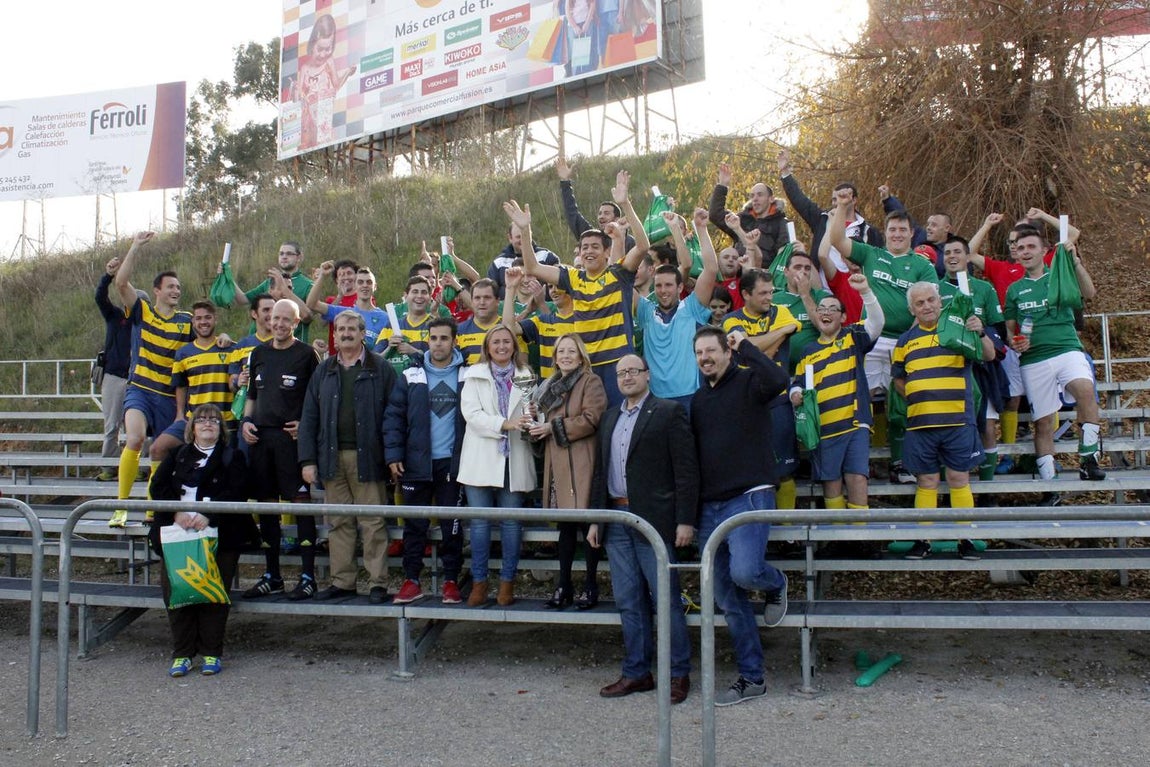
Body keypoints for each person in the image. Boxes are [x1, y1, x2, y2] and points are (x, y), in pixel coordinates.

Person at [690, 325, 790, 707]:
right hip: (711, 506)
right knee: (726, 598)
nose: (705, 358)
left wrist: (745, 345)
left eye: (711, 351)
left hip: (749, 496)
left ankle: (777, 582)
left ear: (726, 352)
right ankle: (753, 678)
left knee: (746, 574)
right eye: (699, 353)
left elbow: (779, 378)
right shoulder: (699, 400)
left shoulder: (751, 382)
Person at [589, 353, 697, 705]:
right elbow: (600, 472)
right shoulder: (608, 420)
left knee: (665, 600)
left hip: (656, 521)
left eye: (633, 371)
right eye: (621, 373)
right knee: (627, 601)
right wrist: (596, 517)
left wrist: (685, 519)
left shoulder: (668, 412)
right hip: (617, 521)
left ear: (647, 375)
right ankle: (637, 672)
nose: (626, 377)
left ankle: (678, 673)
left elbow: (685, 470)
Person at [511, 168, 650, 406]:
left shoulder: (619, 274)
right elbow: (532, 266)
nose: (588, 251)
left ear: (607, 252)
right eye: (584, 247)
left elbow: (643, 245)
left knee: (621, 424)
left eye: (595, 246)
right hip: (585, 368)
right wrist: (525, 231)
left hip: (618, 364)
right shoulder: (572, 277)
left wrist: (625, 203)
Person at [827, 196, 939, 485]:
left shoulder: (922, 266)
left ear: (911, 233)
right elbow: (837, 239)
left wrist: (910, 340)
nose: (898, 234)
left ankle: (900, 463)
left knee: (900, 403)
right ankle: (858, 464)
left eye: (903, 230)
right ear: (885, 233)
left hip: (904, 340)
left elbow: (926, 306)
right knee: (859, 400)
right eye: (892, 230)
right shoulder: (872, 254)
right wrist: (841, 207)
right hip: (871, 339)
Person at [148, 404, 259, 677]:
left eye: (214, 420)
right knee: (177, 594)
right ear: (192, 427)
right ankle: (182, 653)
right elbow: (157, 487)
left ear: (221, 429)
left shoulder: (233, 457)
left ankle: (211, 652)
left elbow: (238, 491)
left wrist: (209, 516)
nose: (208, 423)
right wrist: (177, 512)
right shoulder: (176, 455)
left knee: (214, 595)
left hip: (219, 532)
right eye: (201, 420)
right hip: (177, 532)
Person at [892, 282, 997, 560]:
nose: (926, 306)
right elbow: (898, 379)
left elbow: (989, 354)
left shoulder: (958, 329)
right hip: (920, 423)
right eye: (919, 303)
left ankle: (967, 539)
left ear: (940, 301)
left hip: (957, 420)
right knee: (926, 481)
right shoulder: (904, 340)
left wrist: (981, 331)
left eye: (930, 300)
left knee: (958, 478)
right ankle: (923, 539)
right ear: (911, 308)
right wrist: (917, 396)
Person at [298, 311, 397, 603]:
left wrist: (391, 456)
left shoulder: (381, 368)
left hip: (369, 458)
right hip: (331, 458)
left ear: (363, 333)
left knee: (373, 523)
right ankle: (343, 582)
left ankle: (378, 583)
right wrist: (307, 460)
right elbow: (310, 416)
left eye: (351, 328)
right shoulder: (324, 370)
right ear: (334, 334)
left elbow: (394, 416)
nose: (345, 333)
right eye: (340, 329)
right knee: (339, 522)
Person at [1004, 230, 1105, 505]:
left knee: (1085, 392)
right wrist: (1016, 343)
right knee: (1043, 423)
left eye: (1030, 247)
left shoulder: (1059, 274)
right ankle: (1051, 488)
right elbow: (1011, 331)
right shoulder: (1014, 289)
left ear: (1044, 250)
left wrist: (1075, 262)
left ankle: (1089, 458)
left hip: (1066, 348)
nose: (1024, 251)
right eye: (1020, 247)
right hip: (1034, 360)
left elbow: (1089, 292)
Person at [109, 232, 194, 528]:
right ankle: (120, 507)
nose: (176, 290)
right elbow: (120, 283)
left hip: (169, 397)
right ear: (156, 290)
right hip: (140, 390)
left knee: (159, 449)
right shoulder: (143, 310)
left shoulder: (186, 321)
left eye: (179, 287)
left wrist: (221, 338)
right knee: (134, 438)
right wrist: (134, 246)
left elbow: (204, 341)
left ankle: (150, 508)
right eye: (171, 286)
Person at [241, 299, 321, 600]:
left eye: (287, 320)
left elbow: (317, 399)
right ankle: (272, 575)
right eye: (276, 318)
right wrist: (247, 420)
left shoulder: (306, 354)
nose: (280, 324)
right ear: (267, 319)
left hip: (292, 443)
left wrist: (305, 424)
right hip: (261, 440)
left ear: (296, 323)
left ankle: (308, 576)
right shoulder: (258, 353)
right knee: (268, 509)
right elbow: (251, 395)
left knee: (301, 508)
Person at [384, 317, 467, 605]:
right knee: (414, 526)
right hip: (416, 463)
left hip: (452, 465)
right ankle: (411, 580)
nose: (439, 344)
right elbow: (394, 416)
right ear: (427, 340)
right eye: (434, 338)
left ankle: (451, 581)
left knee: (451, 527)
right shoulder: (411, 374)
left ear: (454, 341)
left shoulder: (467, 374)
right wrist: (394, 454)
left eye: (444, 338)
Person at [526, 333, 608, 609]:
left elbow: (591, 419)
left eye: (571, 351)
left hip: (582, 462)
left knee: (588, 528)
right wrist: (534, 427)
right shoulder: (546, 387)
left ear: (581, 354)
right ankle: (564, 584)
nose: (566, 356)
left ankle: (590, 585)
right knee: (565, 529)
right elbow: (541, 420)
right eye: (561, 351)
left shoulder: (590, 381)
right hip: (556, 462)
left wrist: (553, 427)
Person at [458, 325, 537, 607]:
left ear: (514, 347)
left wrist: (531, 421)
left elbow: (532, 413)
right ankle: (479, 583)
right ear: (487, 347)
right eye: (496, 342)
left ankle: (507, 582)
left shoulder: (526, 376)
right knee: (479, 525)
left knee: (512, 525)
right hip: (480, 458)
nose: (502, 346)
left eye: (507, 341)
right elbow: (472, 415)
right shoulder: (474, 374)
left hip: (514, 457)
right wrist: (504, 424)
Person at [790, 276, 884, 512]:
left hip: (854, 424)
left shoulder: (853, 337)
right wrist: (795, 393)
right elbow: (799, 382)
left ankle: (861, 538)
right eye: (821, 308)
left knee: (857, 478)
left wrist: (866, 291)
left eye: (833, 309)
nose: (826, 312)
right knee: (831, 482)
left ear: (843, 317)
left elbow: (876, 323)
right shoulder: (808, 350)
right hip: (823, 427)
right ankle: (838, 536)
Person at [721, 269, 800, 508]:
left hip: (779, 400)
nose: (769, 298)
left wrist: (751, 349)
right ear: (746, 294)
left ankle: (788, 535)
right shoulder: (731, 319)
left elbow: (751, 352)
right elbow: (756, 353)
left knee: (785, 470)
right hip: (746, 402)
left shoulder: (782, 311)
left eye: (771, 292)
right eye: (763, 293)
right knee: (750, 468)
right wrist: (781, 332)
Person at [635, 208, 717, 409]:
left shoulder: (691, 308)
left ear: (680, 287)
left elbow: (711, 269)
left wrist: (701, 228)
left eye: (669, 285)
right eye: (659, 285)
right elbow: (620, 278)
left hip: (691, 397)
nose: (663, 290)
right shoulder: (646, 312)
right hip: (655, 400)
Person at [777, 148, 883, 262]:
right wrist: (785, 172)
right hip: (822, 279)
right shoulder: (822, 220)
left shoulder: (869, 231)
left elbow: (877, 263)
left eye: (843, 197)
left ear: (854, 200)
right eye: (834, 199)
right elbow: (799, 200)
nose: (836, 203)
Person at [223, 241, 314, 341]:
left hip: (288, 347)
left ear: (299, 257)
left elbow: (307, 316)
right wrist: (228, 276)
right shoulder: (269, 281)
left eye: (289, 254)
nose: (284, 256)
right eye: (281, 253)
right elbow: (242, 299)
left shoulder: (308, 285)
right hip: (258, 344)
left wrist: (285, 290)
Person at [291, 13, 356, 150]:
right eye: (319, 49)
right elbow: (298, 100)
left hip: (324, 125)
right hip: (307, 128)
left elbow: (336, 85)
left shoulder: (329, 63)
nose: (323, 54)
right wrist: (295, 90)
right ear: (312, 44)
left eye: (328, 49)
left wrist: (347, 73)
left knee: (326, 143)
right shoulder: (305, 69)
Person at [95, 255, 134, 481]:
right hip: (113, 376)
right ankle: (108, 467)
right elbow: (100, 297)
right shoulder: (115, 316)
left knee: (138, 426)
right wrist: (108, 275)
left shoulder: (147, 323)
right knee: (111, 425)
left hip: (137, 377)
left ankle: (139, 466)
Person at [708, 162, 788, 262]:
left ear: (771, 199)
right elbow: (715, 214)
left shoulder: (781, 223)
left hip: (763, 274)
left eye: (760, 195)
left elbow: (782, 258)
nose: (755, 199)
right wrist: (722, 185)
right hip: (738, 273)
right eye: (752, 196)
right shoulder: (743, 219)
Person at [304, 264, 390, 349]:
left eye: (369, 282)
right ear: (355, 286)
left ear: (375, 286)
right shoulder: (343, 313)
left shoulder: (386, 318)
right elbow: (312, 304)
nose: (365, 285)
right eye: (360, 282)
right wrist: (322, 276)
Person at [557, 157, 634, 250]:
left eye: (606, 213)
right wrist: (565, 182)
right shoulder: (593, 238)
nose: (601, 216)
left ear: (617, 218)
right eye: (600, 213)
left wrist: (625, 203)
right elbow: (572, 213)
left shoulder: (629, 242)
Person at [487, 221, 559, 300]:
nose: (523, 240)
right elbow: (491, 293)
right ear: (510, 238)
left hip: (544, 309)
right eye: (518, 237)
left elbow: (559, 286)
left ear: (531, 235)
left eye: (526, 236)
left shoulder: (547, 257)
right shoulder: (498, 264)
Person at [456, 278, 504, 365]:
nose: (482, 302)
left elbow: (521, 368)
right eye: (477, 298)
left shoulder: (509, 328)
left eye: (487, 297)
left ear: (497, 301)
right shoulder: (459, 331)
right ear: (472, 301)